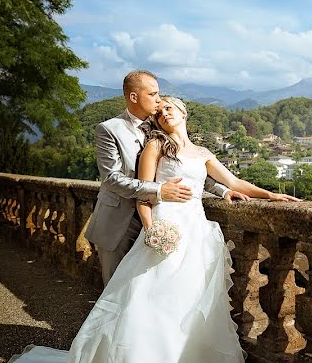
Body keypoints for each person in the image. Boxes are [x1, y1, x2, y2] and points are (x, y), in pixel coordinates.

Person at [0, 96, 299, 363]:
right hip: (166, 225)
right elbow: (144, 191)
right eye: (160, 108)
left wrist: (271, 195)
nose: (164, 111)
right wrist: (152, 230)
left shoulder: (203, 154)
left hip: (195, 231)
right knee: (151, 300)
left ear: (183, 113)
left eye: (170, 107)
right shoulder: (156, 145)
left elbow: (233, 181)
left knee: (190, 302)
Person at [84, 70, 243, 286]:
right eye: (153, 94)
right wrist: (158, 191)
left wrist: (222, 190)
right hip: (118, 220)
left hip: (158, 218)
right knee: (116, 290)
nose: (159, 100)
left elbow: (182, 167)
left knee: (150, 289)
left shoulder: (160, 125)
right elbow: (111, 178)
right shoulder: (109, 129)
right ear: (134, 97)